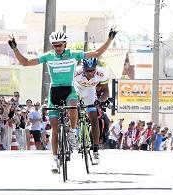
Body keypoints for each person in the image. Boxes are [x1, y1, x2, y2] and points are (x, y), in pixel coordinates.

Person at [8, 27, 117, 173]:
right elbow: (26, 62)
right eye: (55, 45)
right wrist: (15, 48)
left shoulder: (73, 54)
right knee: (54, 129)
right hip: (54, 91)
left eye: (60, 45)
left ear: (65, 44)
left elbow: (97, 53)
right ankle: (54, 160)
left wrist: (109, 39)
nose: (57, 48)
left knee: (73, 106)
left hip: (69, 89)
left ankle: (72, 132)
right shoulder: (48, 56)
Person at [74, 58, 110, 164]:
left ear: (95, 68)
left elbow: (106, 92)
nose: (90, 72)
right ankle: (72, 131)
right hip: (77, 89)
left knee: (94, 119)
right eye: (87, 70)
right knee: (73, 107)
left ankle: (95, 150)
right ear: (83, 69)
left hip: (90, 91)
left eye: (92, 70)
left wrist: (99, 101)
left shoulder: (101, 73)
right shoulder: (76, 72)